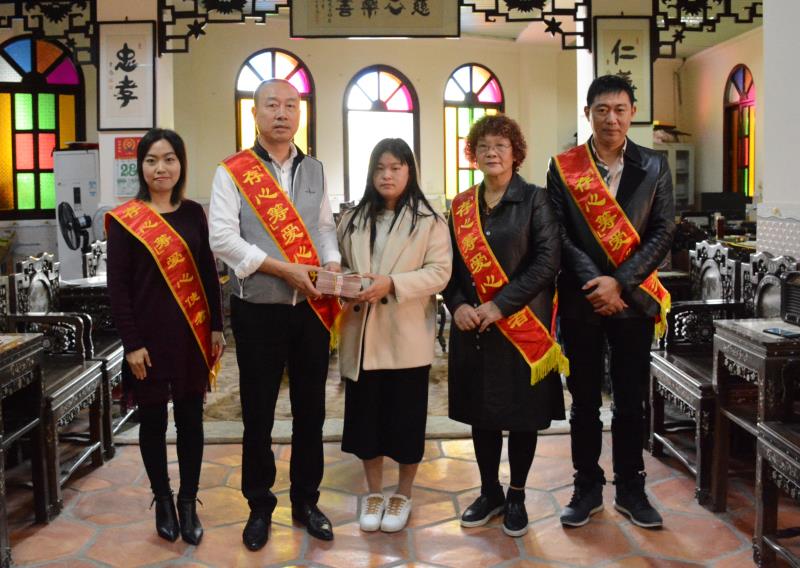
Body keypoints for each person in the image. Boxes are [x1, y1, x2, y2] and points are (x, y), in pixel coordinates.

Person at [208, 78, 341, 550]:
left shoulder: (315, 169)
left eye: (290, 105)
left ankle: (306, 501)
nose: (282, 113)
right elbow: (222, 238)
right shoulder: (232, 172)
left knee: (311, 411)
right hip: (258, 309)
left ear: (299, 113)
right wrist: (283, 269)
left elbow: (324, 228)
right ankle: (259, 505)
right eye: (272, 105)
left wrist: (331, 263)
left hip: (310, 309)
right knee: (258, 413)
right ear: (255, 113)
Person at [547, 74, 675, 529]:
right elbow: (558, 232)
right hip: (582, 299)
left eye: (620, 109)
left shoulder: (655, 165)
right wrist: (595, 283)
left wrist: (618, 283)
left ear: (632, 113)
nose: (611, 119)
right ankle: (586, 486)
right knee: (583, 400)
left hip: (633, 300)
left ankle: (631, 487)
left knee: (629, 399)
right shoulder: (563, 167)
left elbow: (663, 230)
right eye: (602, 110)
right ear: (588, 113)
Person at [444, 115, 568, 538]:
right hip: (474, 328)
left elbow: (547, 263)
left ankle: (516, 495)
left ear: (516, 153)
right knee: (482, 415)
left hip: (521, 327)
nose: (491, 153)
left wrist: (500, 305)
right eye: (483, 146)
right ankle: (489, 492)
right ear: (473, 155)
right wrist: (457, 305)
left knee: (522, 416)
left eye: (500, 145)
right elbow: (448, 266)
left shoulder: (535, 200)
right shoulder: (461, 206)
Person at [107, 128, 224, 546]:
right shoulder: (126, 220)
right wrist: (131, 343)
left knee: (191, 420)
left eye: (169, 159)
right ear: (141, 166)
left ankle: (188, 500)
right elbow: (118, 288)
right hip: (147, 341)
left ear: (181, 164)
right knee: (153, 421)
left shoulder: (193, 213)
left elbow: (208, 272)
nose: (161, 168)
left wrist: (216, 326)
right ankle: (163, 500)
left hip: (190, 334)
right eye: (152, 160)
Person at [337, 138, 452, 533]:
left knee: (405, 421)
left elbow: (440, 272)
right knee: (366, 423)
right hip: (363, 335)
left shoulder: (429, 219)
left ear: (409, 171)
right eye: (380, 168)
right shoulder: (353, 218)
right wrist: (347, 282)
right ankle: (374, 492)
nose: (387, 175)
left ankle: (403, 493)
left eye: (395, 168)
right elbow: (339, 264)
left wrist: (391, 283)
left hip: (405, 334)